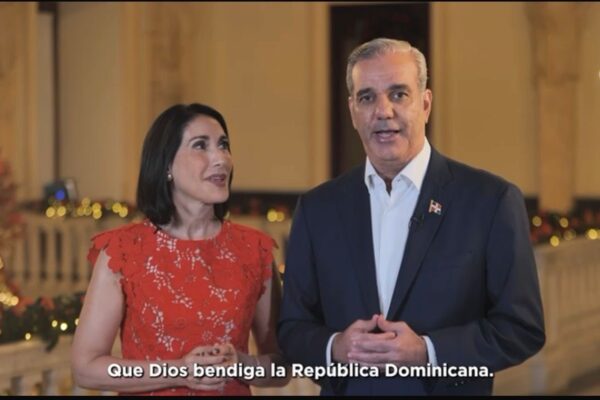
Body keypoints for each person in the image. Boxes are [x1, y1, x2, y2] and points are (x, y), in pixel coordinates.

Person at [277, 38, 545, 395]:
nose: (383, 111)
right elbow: (292, 328)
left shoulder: (491, 201)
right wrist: (335, 347)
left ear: (425, 104)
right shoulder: (317, 209)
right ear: (353, 111)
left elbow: (521, 328)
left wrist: (428, 352)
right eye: (367, 97)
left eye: (399, 94)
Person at [72, 103, 289, 395]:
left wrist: (242, 364)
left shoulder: (255, 250)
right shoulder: (123, 251)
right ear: (166, 165)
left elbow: (282, 367)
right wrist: (179, 371)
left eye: (223, 145)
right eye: (200, 145)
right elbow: (85, 368)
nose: (221, 158)